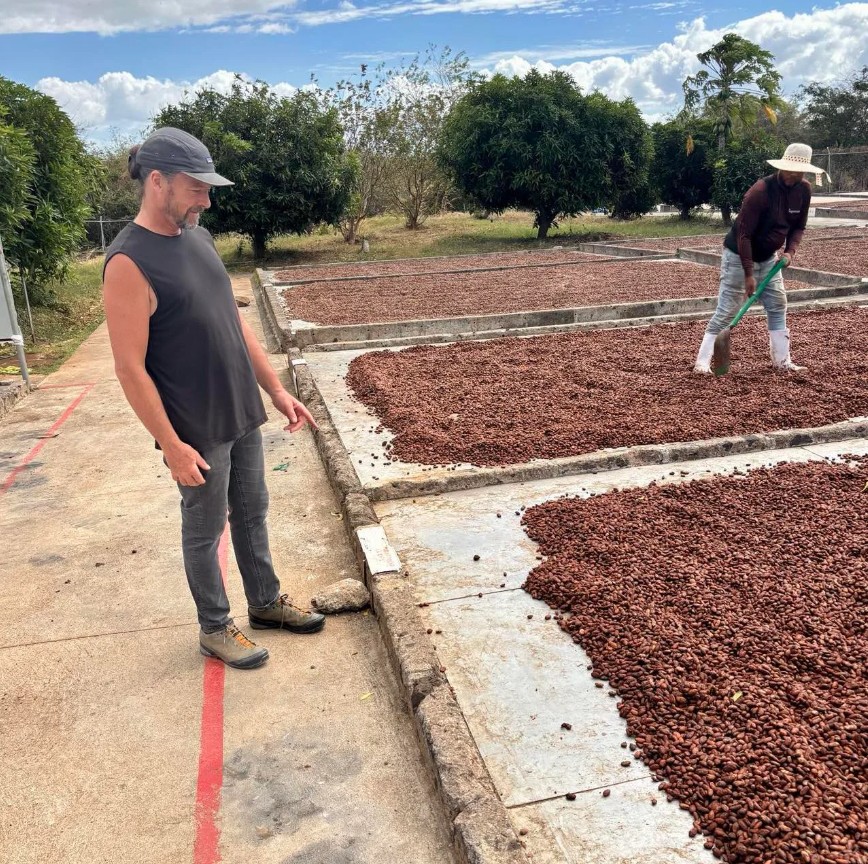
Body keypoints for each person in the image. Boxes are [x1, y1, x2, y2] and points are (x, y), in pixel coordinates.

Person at [102, 127, 325, 671]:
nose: (207, 199)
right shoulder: (128, 262)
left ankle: (266, 603)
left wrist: (274, 389)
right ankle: (214, 627)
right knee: (205, 529)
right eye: (196, 188)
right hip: (195, 426)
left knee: (253, 512)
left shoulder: (197, 239)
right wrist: (171, 444)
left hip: (240, 409)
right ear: (158, 182)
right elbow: (130, 369)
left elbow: (235, 322)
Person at [693, 142, 827, 374]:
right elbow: (744, 235)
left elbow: (799, 227)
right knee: (727, 310)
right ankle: (703, 362)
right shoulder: (760, 191)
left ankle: (782, 361)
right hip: (738, 255)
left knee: (777, 305)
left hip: (769, 259)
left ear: (804, 172)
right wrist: (748, 274)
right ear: (781, 167)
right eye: (788, 170)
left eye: (797, 172)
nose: (791, 175)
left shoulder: (804, 190)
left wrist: (789, 252)